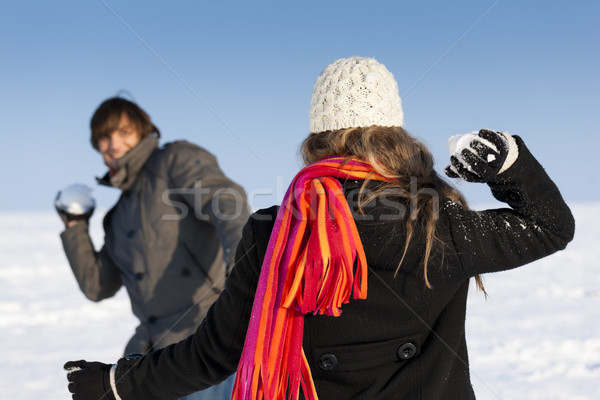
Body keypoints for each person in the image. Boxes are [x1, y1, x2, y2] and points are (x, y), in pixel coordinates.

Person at [64, 58, 575, 400]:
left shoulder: (273, 230)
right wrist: (509, 165)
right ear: (394, 132)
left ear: (317, 136)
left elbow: (214, 353)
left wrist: (115, 382)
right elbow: (551, 227)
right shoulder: (432, 219)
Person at [57, 97, 250, 400]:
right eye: (104, 137)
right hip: (150, 359)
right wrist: (75, 227)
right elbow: (97, 286)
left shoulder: (173, 161)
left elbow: (227, 204)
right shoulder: (117, 218)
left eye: (123, 132)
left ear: (143, 131)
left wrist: (240, 276)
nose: (113, 143)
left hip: (206, 349)